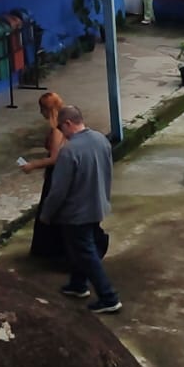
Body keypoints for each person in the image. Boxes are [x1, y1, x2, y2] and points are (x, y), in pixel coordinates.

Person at [40, 105, 121, 314]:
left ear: (68, 124)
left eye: (61, 127)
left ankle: (108, 296)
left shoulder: (70, 151)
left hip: (76, 213)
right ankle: (78, 284)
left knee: (85, 252)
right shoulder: (101, 139)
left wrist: (47, 214)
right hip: (97, 205)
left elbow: (58, 190)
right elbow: (108, 172)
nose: (61, 132)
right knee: (80, 248)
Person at [21, 92, 69, 259]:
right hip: (59, 172)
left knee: (50, 210)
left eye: (42, 109)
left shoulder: (57, 130)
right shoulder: (63, 124)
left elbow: (54, 158)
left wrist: (32, 165)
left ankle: (52, 252)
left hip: (57, 173)